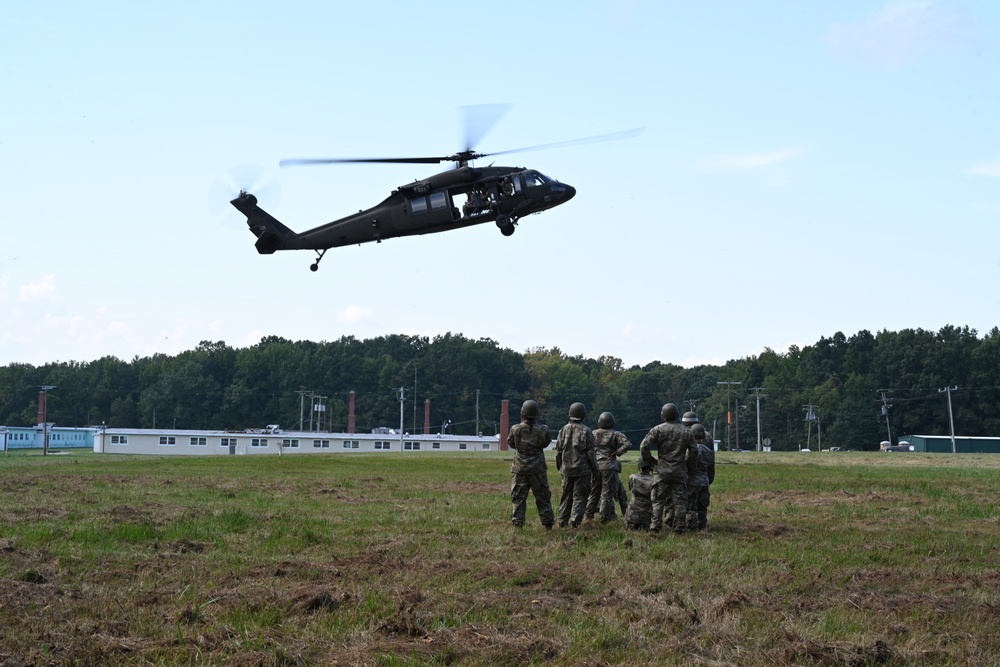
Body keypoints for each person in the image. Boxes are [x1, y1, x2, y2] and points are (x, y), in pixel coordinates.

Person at [639, 403, 697, 535]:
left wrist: (652, 461)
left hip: (661, 471)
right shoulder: (686, 431)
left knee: (658, 501)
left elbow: (644, 446)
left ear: (663, 415)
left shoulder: (657, 430)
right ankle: (679, 529)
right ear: (677, 414)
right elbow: (694, 451)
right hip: (679, 471)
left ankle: (655, 528)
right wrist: (688, 464)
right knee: (679, 502)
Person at [507, 399, 555, 529]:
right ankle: (548, 523)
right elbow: (546, 443)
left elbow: (511, 444)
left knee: (518, 498)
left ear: (522, 413)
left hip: (520, 468)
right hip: (537, 468)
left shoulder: (515, 429)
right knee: (543, 496)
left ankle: (518, 523)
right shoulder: (543, 429)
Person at [584, 411, 633, 524]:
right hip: (609, 467)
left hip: (595, 466)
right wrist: (617, 452)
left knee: (594, 493)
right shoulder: (615, 434)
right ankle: (603, 517)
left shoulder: (593, 433)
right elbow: (627, 444)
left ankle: (588, 516)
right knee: (606, 493)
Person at [555, 402, 598, 528]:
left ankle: (562, 521)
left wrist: (560, 467)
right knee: (580, 496)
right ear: (583, 415)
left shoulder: (563, 430)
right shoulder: (586, 431)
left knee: (566, 495)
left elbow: (558, 451)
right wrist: (595, 470)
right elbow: (590, 453)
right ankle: (575, 521)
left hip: (566, 469)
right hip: (582, 470)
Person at [687, 422, 716, 531]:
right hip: (704, 481)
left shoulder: (690, 451)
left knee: (691, 507)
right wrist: (709, 479)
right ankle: (702, 526)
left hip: (692, 482)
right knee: (702, 507)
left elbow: (686, 465)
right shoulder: (708, 451)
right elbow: (711, 467)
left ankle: (691, 526)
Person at [624, 459, 655, 530]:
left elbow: (630, 489)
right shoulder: (654, 480)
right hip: (647, 517)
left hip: (631, 517)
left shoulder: (632, 477)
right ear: (651, 467)